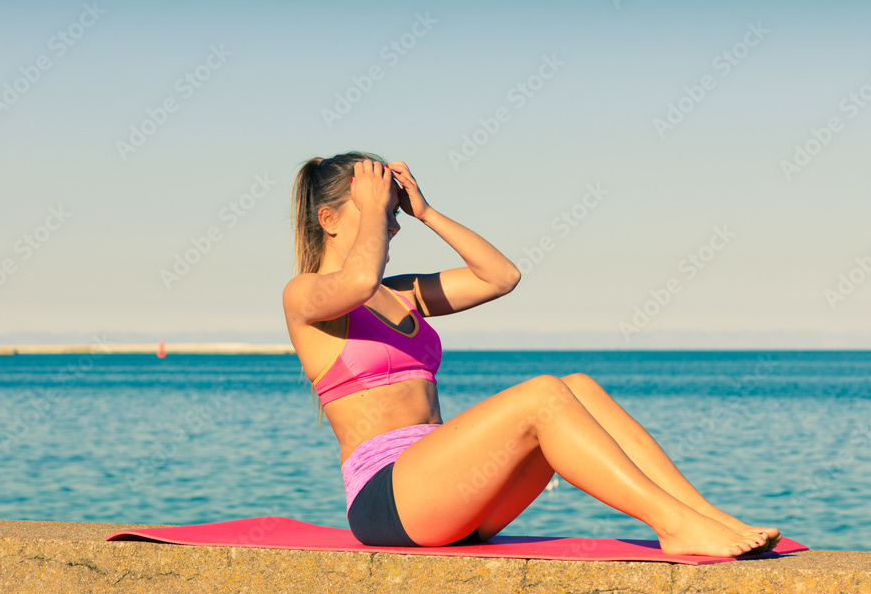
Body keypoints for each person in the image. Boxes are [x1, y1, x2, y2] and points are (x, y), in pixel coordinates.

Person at [282, 152, 781, 556]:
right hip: (388, 503)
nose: (391, 226)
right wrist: (373, 206)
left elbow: (499, 277)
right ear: (327, 219)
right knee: (542, 394)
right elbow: (358, 279)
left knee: (578, 388)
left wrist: (427, 212)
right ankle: (673, 526)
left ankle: (704, 515)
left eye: (392, 215)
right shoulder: (304, 295)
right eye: (380, 214)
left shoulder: (399, 294)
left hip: (454, 499)